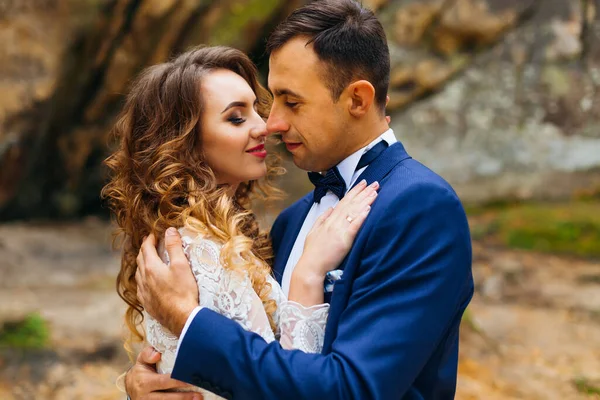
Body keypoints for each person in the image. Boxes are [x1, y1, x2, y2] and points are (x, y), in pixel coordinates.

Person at [130, 0, 474, 399]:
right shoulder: (291, 223)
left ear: (358, 100)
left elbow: (354, 389)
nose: (272, 124)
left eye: (291, 102)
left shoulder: (421, 208)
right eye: (270, 101)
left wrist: (188, 323)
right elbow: (271, 362)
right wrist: (150, 381)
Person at [102, 45, 379, 398]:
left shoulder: (218, 237)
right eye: (236, 118)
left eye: (255, 111)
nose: (264, 126)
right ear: (186, 142)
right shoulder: (198, 250)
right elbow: (282, 386)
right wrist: (308, 273)